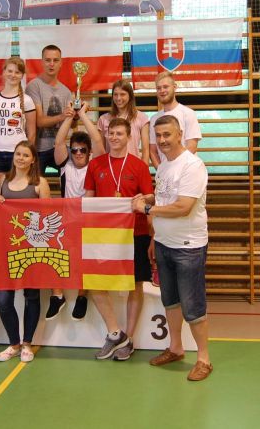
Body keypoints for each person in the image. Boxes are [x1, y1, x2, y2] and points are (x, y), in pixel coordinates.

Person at [131, 115, 212, 381]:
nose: (162, 140)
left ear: (179, 134)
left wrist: (147, 208)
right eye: (159, 136)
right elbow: (167, 197)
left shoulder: (192, 165)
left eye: (167, 134)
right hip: (164, 244)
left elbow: (183, 206)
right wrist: (150, 200)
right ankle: (175, 348)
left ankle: (204, 359)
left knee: (193, 306)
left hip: (188, 247)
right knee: (171, 301)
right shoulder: (165, 165)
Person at [85, 117, 154, 360]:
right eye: (111, 133)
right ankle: (116, 334)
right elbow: (88, 198)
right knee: (95, 283)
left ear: (128, 137)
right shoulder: (95, 164)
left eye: (119, 134)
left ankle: (129, 339)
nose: (114, 137)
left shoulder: (139, 166)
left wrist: (142, 202)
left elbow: (150, 197)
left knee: (135, 284)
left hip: (136, 232)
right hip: (104, 235)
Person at [46, 103, 105, 321]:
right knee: (57, 255)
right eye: (75, 150)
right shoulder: (65, 165)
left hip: (89, 220)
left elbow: (97, 140)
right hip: (67, 220)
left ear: (89, 152)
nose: (78, 153)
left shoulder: (94, 165)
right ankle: (57, 295)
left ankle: (82, 296)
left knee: (85, 259)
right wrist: (70, 117)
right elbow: (59, 141)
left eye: (83, 150)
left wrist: (83, 115)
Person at [0, 141, 50, 363]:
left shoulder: (40, 183)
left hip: (31, 250)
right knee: (4, 300)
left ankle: (27, 343)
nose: (21, 158)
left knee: (31, 296)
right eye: (18, 154)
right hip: (6, 249)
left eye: (26, 155)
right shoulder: (3, 181)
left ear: (33, 159)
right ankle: (14, 344)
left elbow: (48, 215)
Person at [25, 44, 75, 174]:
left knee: (72, 175)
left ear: (61, 63)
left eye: (55, 60)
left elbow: (71, 125)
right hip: (38, 149)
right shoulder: (33, 86)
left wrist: (75, 116)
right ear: (42, 62)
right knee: (35, 185)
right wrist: (62, 116)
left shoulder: (66, 92)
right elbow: (39, 121)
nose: (51, 64)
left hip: (59, 147)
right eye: (47, 60)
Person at [0, 57, 36, 182]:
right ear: (3, 72)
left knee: (17, 189)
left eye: (17, 72)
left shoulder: (27, 100)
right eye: (10, 71)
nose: (13, 75)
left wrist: (26, 152)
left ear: (22, 75)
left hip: (18, 154)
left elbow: (32, 132)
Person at [148, 71, 202, 168]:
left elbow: (192, 146)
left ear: (174, 87)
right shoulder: (154, 119)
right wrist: (161, 171)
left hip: (186, 170)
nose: (162, 90)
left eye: (165, 87)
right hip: (166, 173)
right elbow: (153, 151)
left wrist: (176, 169)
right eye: (159, 88)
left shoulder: (188, 113)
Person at [96, 79, 150, 165]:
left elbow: (146, 150)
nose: (118, 98)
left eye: (122, 94)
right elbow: (101, 150)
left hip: (133, 167)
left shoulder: (142, 117)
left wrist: (144, 170)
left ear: (130, 96)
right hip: (110, 167)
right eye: (115, 94)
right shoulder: (103, 119)